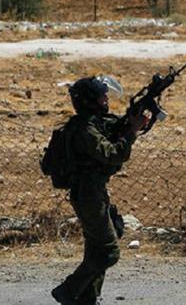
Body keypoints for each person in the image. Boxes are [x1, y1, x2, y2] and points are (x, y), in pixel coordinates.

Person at [51, 76, 148, 305]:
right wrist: (131, 132)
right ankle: (68, 290)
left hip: (93, 192)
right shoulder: (85, 129)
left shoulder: (93, 124)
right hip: (88, 195)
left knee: (107, 236)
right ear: (90, 101)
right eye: (101, 96)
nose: (106, 99)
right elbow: (113, 154)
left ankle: (87, 296)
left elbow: (111, 136)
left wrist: (128, 126)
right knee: (108, 253)